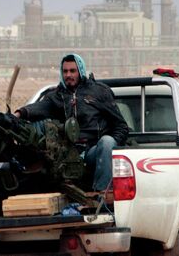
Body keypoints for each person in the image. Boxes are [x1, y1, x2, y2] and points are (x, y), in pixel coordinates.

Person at [14, 53, 129, 192]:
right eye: (65, 71)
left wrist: (109, 150)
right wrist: (19, 113)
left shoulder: (99, 91)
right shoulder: (57, 95)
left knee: (107, 142)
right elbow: (39, 108)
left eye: (72, 71)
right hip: (65, 153)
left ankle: (101, 194)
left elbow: (121, 126)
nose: (68, 75)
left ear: (80, 70)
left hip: (92, 150)